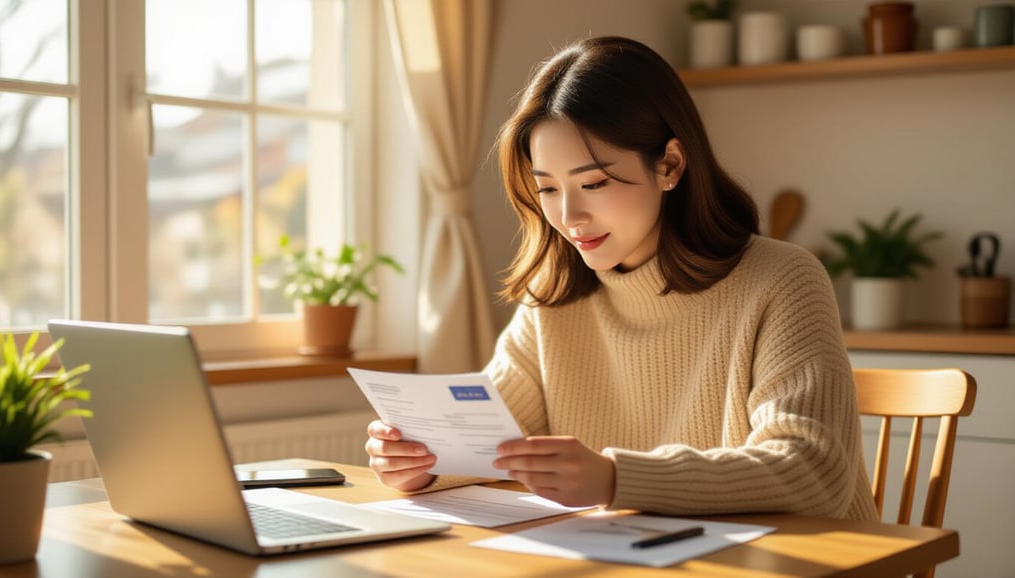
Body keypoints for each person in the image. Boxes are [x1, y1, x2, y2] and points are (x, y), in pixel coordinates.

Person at [366, 35, 878, 520]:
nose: (569, 216)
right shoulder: (554, 299)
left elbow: (814, 472)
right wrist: (419, 463)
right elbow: (488, 444)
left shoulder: (782, 280)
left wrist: (616, 478)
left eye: (593, 182)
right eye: (547, 189)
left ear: (670, 165)